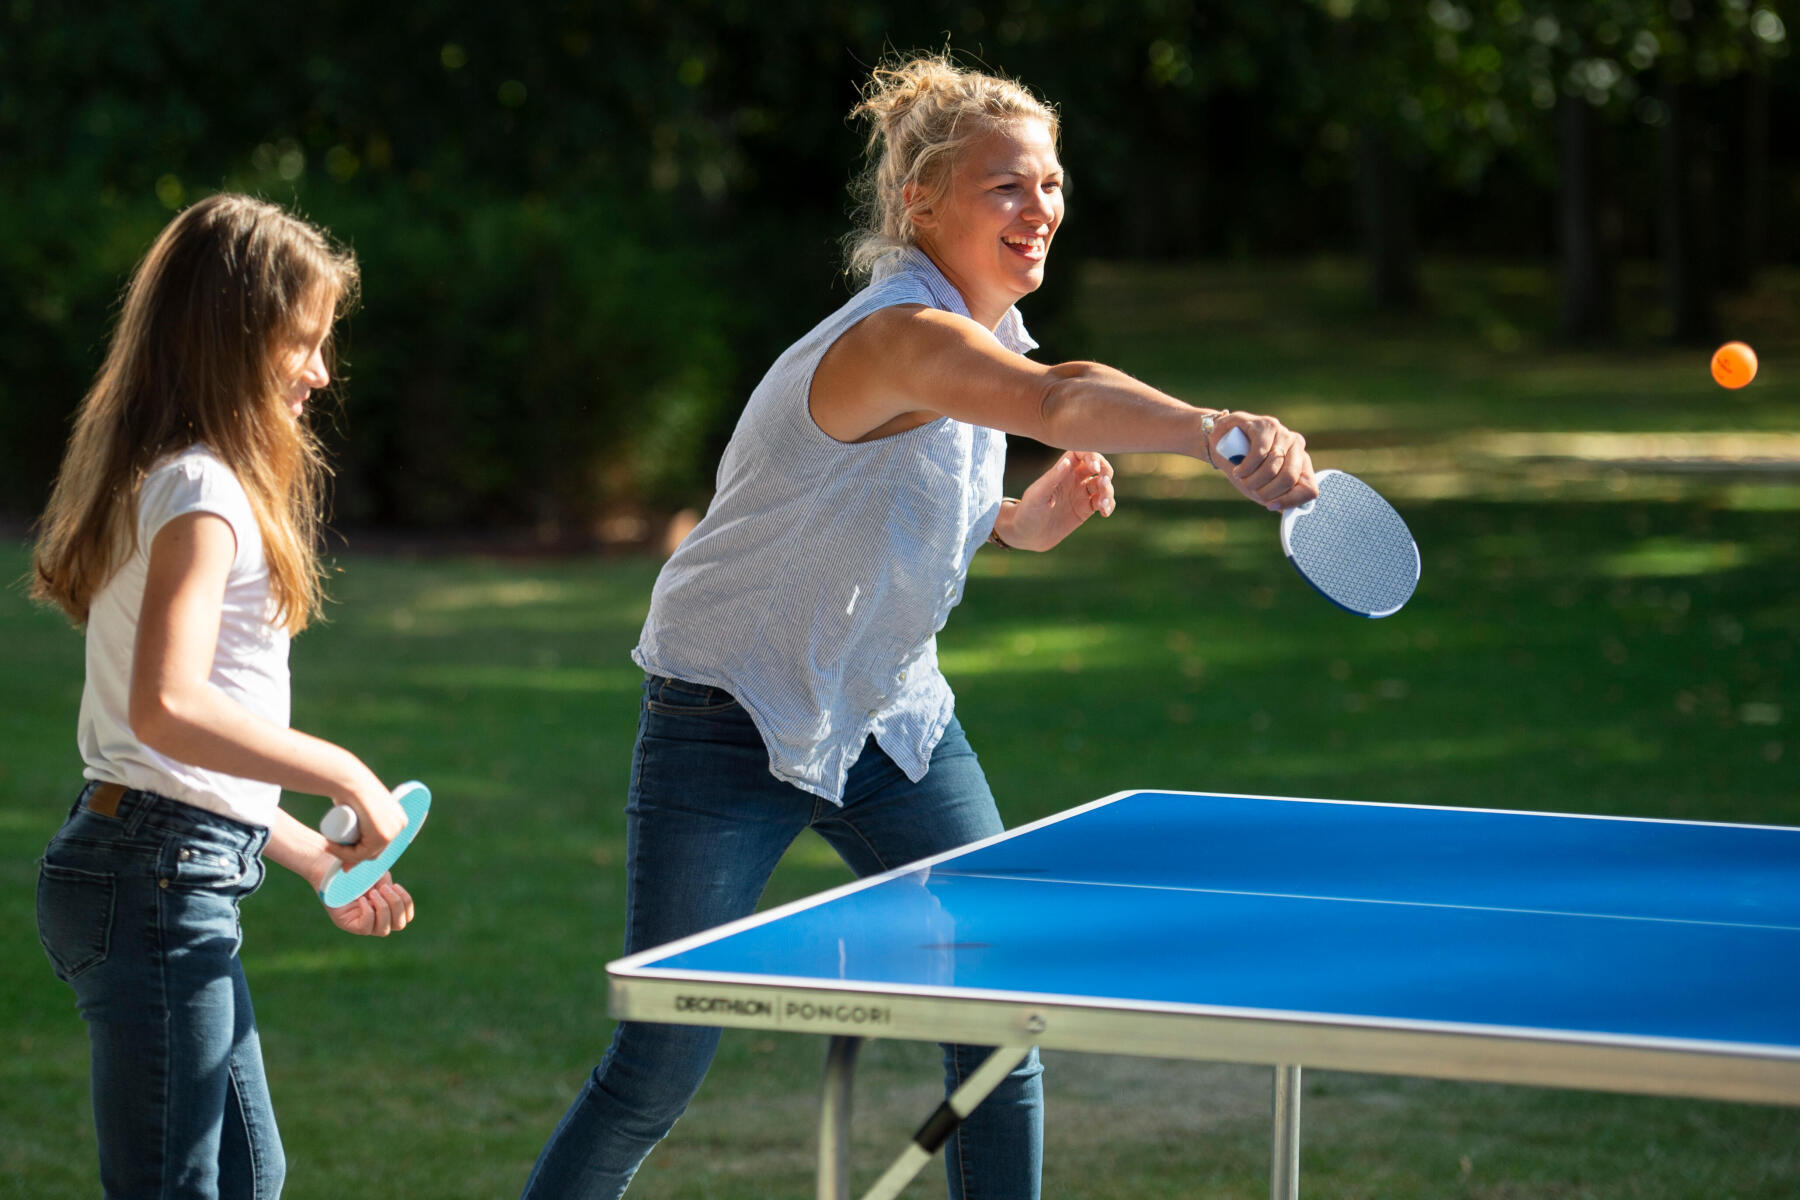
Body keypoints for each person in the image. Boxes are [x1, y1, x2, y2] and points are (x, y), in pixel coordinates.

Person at [522, 54, 1317, 1200]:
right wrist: (1214, 431)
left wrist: (1014, 526)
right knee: (658, 1062)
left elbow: (879, 497)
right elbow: (1051, 399)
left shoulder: (977, 343)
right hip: (725, 716)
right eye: (1006, 186)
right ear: (921, 205)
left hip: (892, 725)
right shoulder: (899, 335)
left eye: (1049, 183)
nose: (1039, 207)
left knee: (1000, 1029)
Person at [30, 193, 416, 1200]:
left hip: (154, 859)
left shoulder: (160, 477)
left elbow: (166, 753)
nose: (321, 371)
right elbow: (168, 709)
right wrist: (348, 775)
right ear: (234, 338)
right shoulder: (201, 490)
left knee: (246, 1174)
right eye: (302, 342)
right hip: (152, 878)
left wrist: (310, 853)